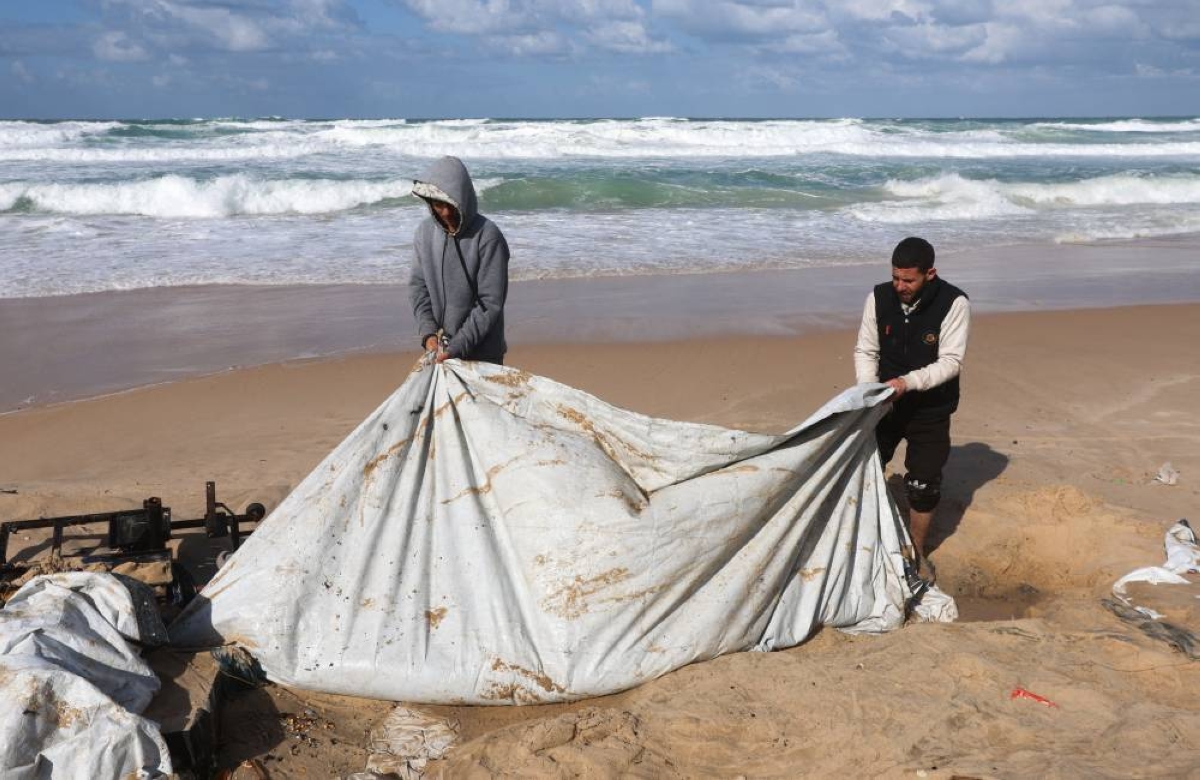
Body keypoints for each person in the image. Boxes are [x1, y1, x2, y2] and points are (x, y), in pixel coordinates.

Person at [853, 237, 970, 586]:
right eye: (895, 278)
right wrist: (867, 390)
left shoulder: (954, 302)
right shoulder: (877, 297)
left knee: (922, 485)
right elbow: (866, 349)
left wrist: (906, 382)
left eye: (908, 280)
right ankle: (866, 538)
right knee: (867, 468)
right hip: (885, 404)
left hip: (931, 407)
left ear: (929, 274)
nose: (900, 286)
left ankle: (917, 550)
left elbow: (951, 362)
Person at [409, 156, 509, 364]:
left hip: (484, 354)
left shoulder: (488, 236)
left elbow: (489, 304)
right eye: (438, 205)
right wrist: (428, 333)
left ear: (463, 199)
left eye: (451, 205)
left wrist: (458, 345)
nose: (445, 213)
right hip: (442, 352)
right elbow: (419, 288)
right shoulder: (424, 233)